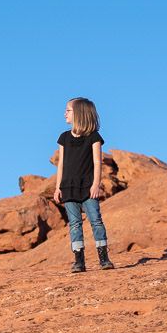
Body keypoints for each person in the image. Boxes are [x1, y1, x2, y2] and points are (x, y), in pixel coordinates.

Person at [51, 97, 114, 273]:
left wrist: (96, 184)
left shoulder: (94, 137)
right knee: (74, 224)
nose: (64, 113)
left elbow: (97, 162)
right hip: (68, 187)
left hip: (87, 186)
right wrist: (58, 188)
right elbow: (61, 164)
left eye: (68, 110)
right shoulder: (64, 137)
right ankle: (79, 261)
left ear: (79, 114)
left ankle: (104, 259)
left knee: (96, 221)